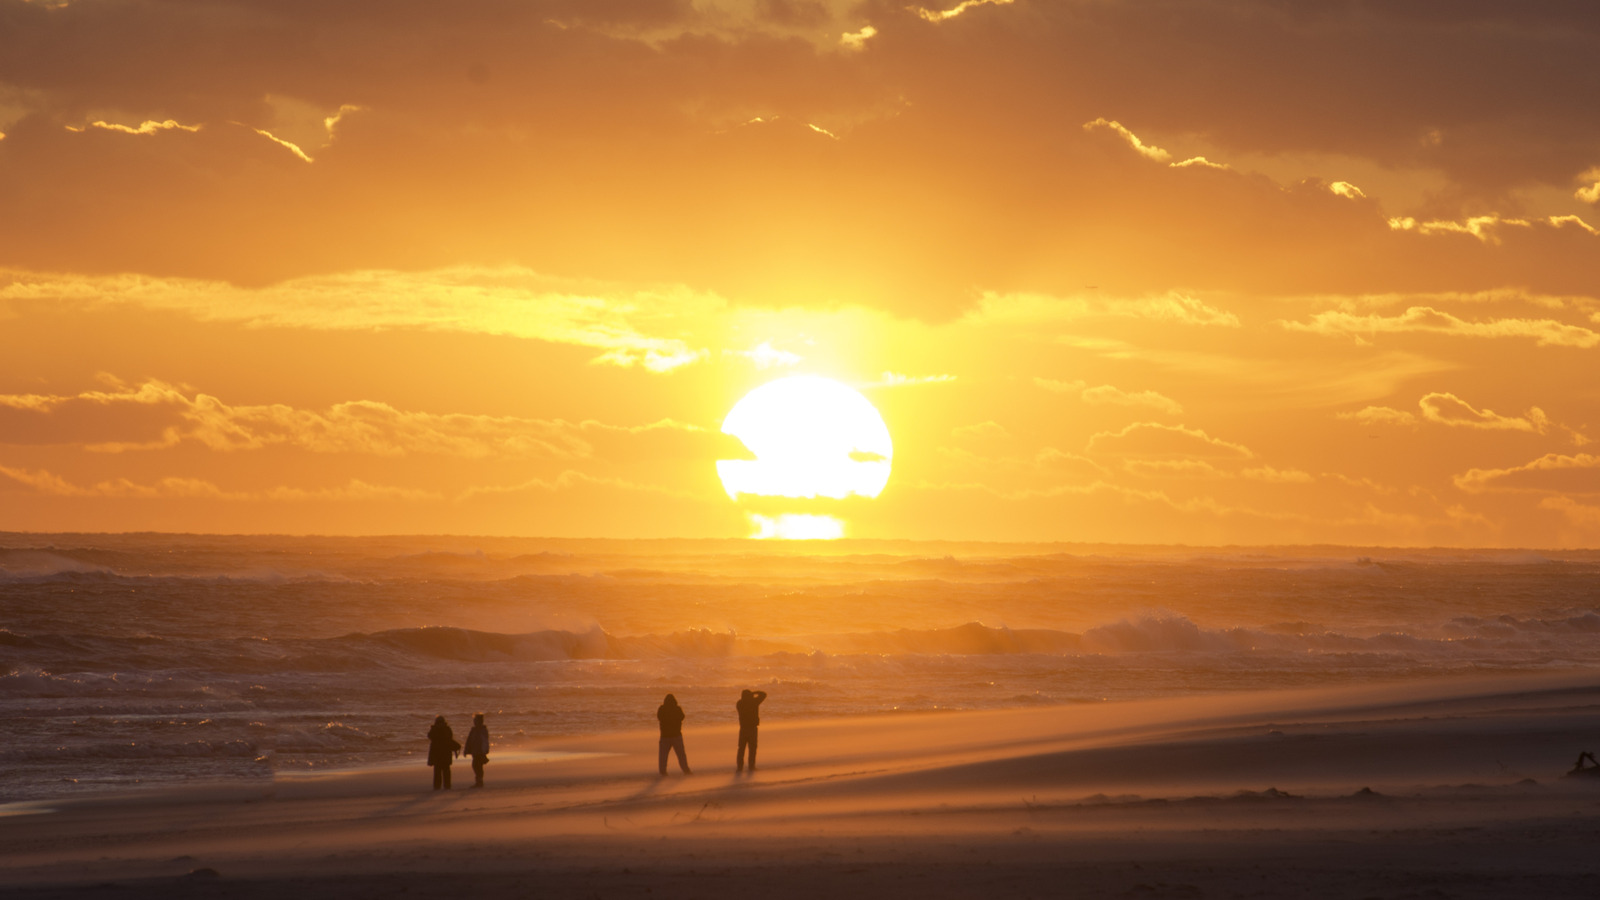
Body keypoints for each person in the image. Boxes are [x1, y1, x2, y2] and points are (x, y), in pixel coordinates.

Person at [657, 693, 690, 775]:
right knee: (681, 755)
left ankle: (663, 771)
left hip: (665, 736)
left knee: (663, 756)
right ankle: (686, 770)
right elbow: (682, 717)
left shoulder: (662, 709)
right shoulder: (677, 709)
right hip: (676, 735)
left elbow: (659, 717)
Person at [735, 689, 767, 773]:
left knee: (741, 749)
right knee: (752, 748)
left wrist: (750, 695)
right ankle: (751, 766)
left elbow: (742, 700)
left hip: (743, 729)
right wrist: (755, 692)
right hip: (752, 729)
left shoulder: (739, 704)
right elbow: (764, 694)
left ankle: (739, 767)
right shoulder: (754, 702)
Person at [426, 715, 459, 790]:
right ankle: (446, 786)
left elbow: (430, 736)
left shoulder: (437, 729)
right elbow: (450, 738)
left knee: (439, 770)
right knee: (444, 770)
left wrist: (434, 727)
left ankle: (439, 786)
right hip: (445, 754)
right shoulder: (447, 729)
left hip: (438, 754)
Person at [463, 713, 490, 788]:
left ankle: (479, 782)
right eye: (474, 720)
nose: (474, 722)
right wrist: (466, 750)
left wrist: (485, 750)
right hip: (475, 751)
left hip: (480, 751)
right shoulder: (474, 730)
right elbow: (469, 740)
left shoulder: (482, 730)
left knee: (477, 766)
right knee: (476, 766)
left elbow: (485, 741)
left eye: (475, 720)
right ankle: (479, 781)